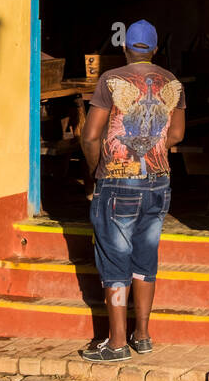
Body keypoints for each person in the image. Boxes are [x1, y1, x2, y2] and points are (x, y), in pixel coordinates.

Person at [79, 20, 185, 361]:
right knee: (145, 261)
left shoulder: (112, 80)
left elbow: (91, 135)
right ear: (154, 49)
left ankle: (117, 342)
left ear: (125, 48)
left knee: (114, 264)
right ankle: (142, 335)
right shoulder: (174, 84)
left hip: (117, 181)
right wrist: (155, 147)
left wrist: (96, 171)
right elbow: (178, 135)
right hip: (158, 182)